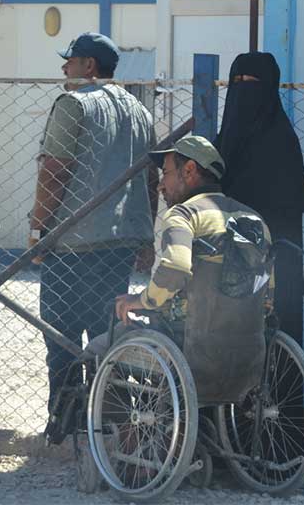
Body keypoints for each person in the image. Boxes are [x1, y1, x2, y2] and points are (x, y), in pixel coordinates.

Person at [29, 31, 157, 414]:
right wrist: (146, 236)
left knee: (62, 338)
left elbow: (54, 170)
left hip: (72, 243)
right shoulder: (140, 111)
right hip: (119, 245)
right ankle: (112, 421)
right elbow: (150, 179)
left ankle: (64, 420)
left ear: (89, 66)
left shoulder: (73, 104)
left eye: (71, 60)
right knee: (108, 337)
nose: (65, 67)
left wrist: (38, 229)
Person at [109, 135, 268, 406]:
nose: (160, 184)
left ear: (190, 170)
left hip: (192, 351)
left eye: (166, 173)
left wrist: (142, 301)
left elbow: (175, 267)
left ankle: (126, 439)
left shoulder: (185, 215)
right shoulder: (254, 220)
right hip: (248, 360)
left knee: (106, 344)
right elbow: (267, 295)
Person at [215, 52, 304, 343]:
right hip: (229, 255)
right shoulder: (225, 138)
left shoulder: (280, 140)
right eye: (237, 81)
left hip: (274, 257)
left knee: (273, 327)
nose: (243, 88)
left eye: (252, 81)